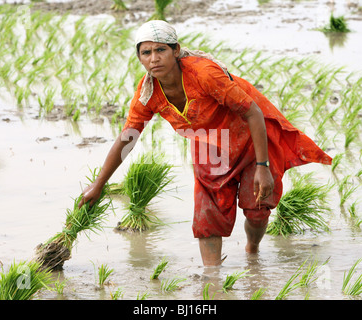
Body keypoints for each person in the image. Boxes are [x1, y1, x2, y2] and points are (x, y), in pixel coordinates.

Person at [78, 20, 332, 266]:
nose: (153, 58)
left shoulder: (204, 75)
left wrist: (263, 166)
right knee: (207, 216)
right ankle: (213, 279)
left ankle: (252, 252)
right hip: (211, 145)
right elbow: (128, 138)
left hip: (250, 139)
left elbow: (253, 112)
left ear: (176, 51)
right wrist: (99, 184)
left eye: (160, 50)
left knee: (257, 209)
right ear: (140, 58)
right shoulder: (148, 93)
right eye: (146, 52)